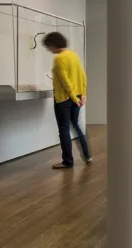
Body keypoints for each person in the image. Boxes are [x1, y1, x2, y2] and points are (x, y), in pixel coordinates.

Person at [44, 32, 91, 169]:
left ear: (54, 44)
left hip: (63, 99)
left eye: (49, 47)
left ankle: (68, 162)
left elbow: (65, 81)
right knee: (76, 125)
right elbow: (82, 76)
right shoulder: (74, 55)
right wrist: (82, 94)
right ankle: (87, 155)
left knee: (64, 130)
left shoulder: (59, 58)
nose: (49, 50)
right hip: (76, 96)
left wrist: (72, 97)